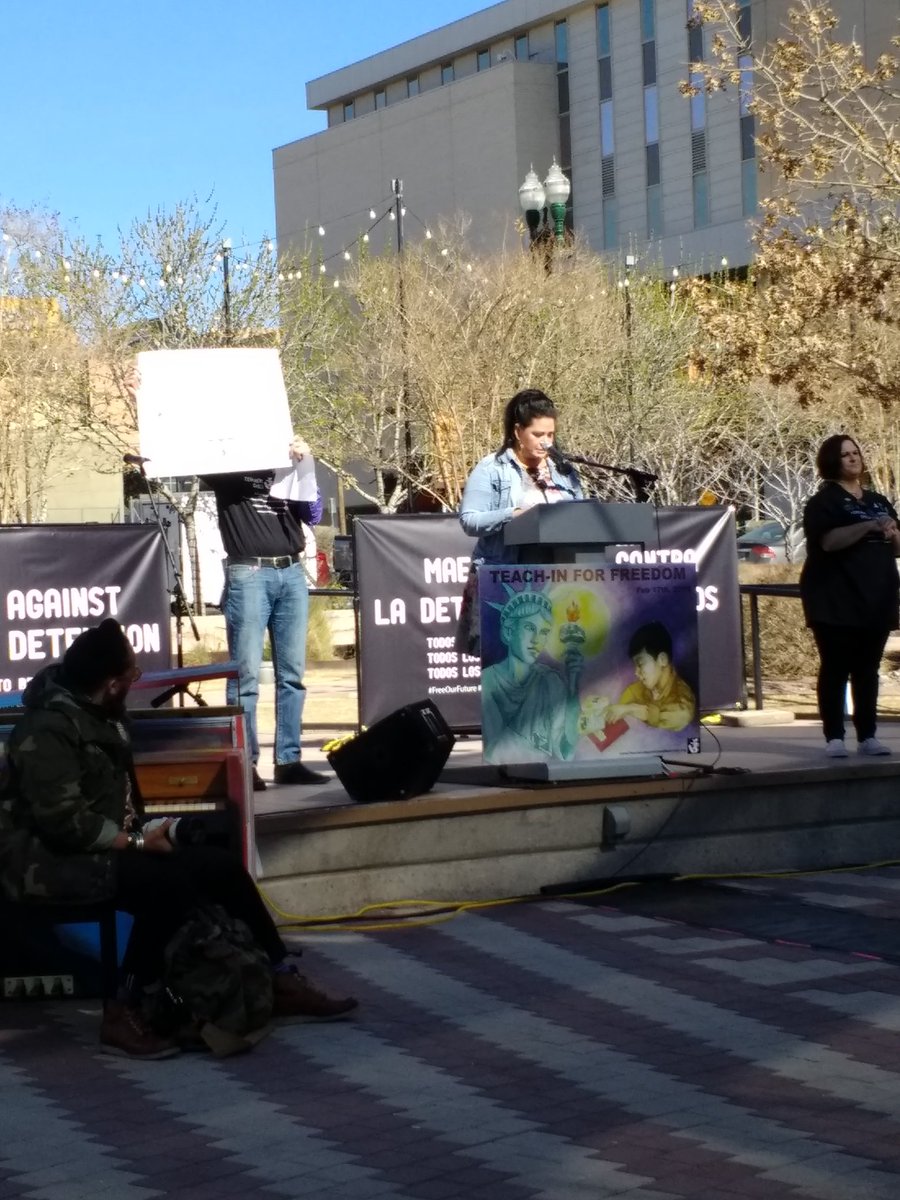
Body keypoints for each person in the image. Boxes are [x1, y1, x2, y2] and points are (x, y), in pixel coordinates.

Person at [0, 620, 358, 1059]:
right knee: (162, 886)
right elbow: (64, 824)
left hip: (97, 847)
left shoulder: (99, 715)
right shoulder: (48, 730)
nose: (134, 683)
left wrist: (156, 830)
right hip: (43, 863)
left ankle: (279, 975)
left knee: (218, 867)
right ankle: (122, 1010)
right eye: (132, 675)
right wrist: (136, 844)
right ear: (111, 684)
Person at [456, 389, 583, 657]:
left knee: (555, 664)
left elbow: (581, 514)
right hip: (508, 579)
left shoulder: (564, 471)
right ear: (517, 431)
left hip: (559, 582)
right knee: (510, 668)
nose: (546, 442)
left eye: (550, 435)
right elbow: (469, 520)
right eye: (538, 434)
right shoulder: (492, 468)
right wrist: (514, 514)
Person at [800, 434, 900, 757]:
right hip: (835, 599)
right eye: (845, 455)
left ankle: (868, 735)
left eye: (856, 452)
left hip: (877, 598)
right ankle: (834, 737)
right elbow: (829, 542)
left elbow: (896, 547)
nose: (853, 458)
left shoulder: (878, 501)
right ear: (833, 461)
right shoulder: (823, 503)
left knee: (867, 669)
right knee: (836, 667)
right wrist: (869, 527)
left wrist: (892, 532)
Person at [481, 587, 583, 764]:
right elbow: (496, 753)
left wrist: (573, 690)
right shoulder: (489, 681)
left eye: (544, 632)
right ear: (508, 632)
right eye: (530, 628)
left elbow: (566, 750)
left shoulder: (552, 681)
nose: (537, 639)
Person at [597, 621, 697, 733]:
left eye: (640, 664)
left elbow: (678, 718)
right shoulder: (634, 691)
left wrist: (631, 709)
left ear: (662, 660)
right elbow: (615, 715)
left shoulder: (683, 701)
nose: (636, 672)